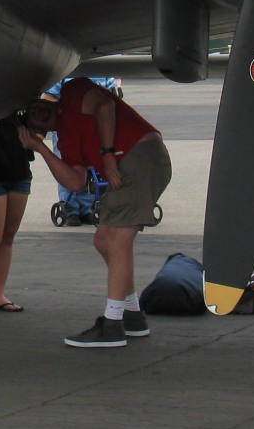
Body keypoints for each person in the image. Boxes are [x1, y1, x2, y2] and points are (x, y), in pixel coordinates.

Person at [33, 77, 171, 348]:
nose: (37, 111)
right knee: (104, 241)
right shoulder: (66, 139)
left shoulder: (74, 90)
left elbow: (105, 105)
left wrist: (107, 154)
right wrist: (40, 149)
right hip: (129, 165)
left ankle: (113, 325)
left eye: (35, 105)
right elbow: (75, 181)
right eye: (31, 117)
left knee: (116, 241)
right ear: (35, 129)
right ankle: (131, 316)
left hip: (138, 155)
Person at [0, 97, 55, 315]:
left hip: (18, 167)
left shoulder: (21, 97)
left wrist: (40, 132)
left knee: (8, 235)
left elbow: (45, 110)